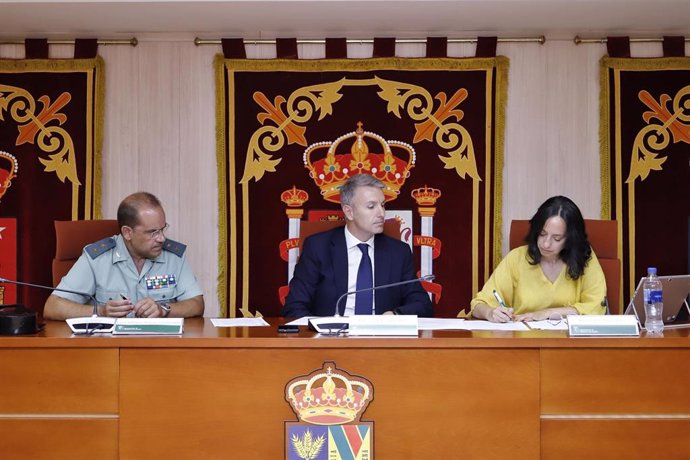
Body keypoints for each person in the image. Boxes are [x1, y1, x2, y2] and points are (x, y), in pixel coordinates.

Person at [282, 174, 433, 318]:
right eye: (371, 206)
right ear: (349, 212)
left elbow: (422, 304)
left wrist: (395, 315)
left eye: (382, 205)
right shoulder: (318, 247)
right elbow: (294, 306)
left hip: (381, 338)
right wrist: (322, 332)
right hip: (332, 338)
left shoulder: (398, 252)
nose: (381, 213)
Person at [44, 192, 204, 319]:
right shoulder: (98, 258)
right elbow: (53, 307)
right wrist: (101, 311)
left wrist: (164, 310)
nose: (161, 238)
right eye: (153, 232)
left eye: (162, 229)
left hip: (160, 347)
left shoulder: (173, 256)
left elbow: (197, 304)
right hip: (110, 351)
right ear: (127, 232)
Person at [471, 195, 606, 322]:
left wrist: (546, 314)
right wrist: (490, 313)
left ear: (571, 239)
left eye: (557, 238)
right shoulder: (516, 258)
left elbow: (596, 308)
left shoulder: (584, 258)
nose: (546, 244)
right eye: (542, 234)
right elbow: (479, 304)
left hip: (569, 343)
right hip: (524, 341)